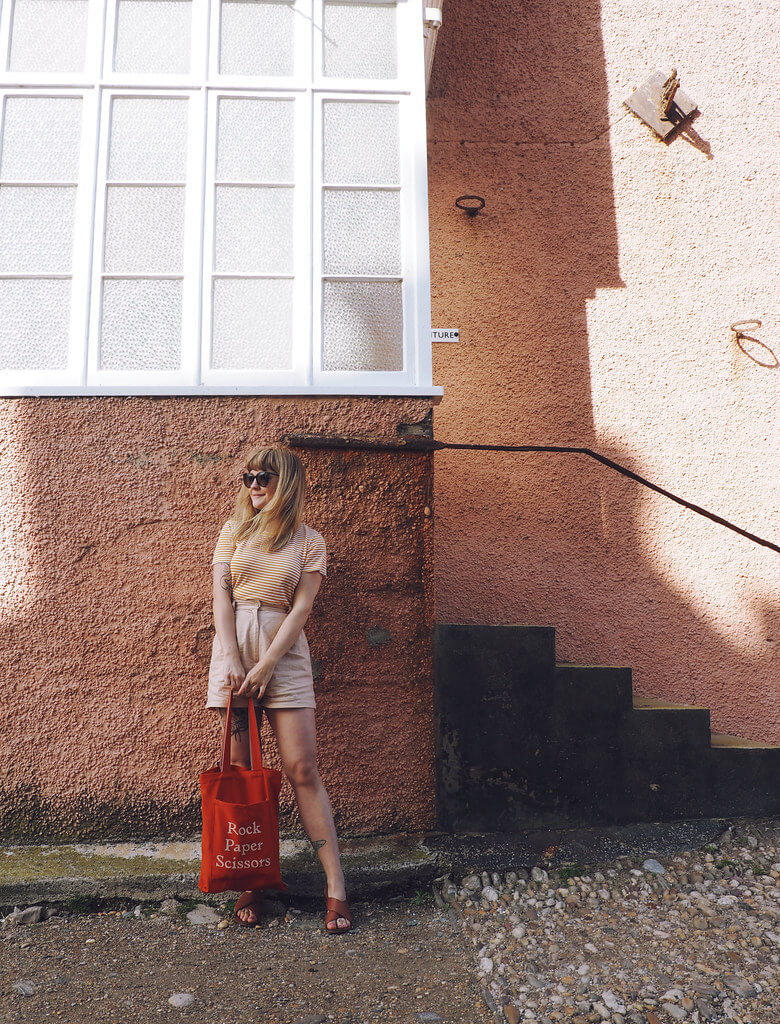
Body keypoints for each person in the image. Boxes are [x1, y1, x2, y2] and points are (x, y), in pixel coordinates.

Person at [205, 444, 352, 933]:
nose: (253, 486)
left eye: (263, 477)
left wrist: (267, 664)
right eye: (247, 478)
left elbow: (303, 608)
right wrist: (230, 657)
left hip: (283, 654)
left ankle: (336, 885)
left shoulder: (310, 541)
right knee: (244, 770)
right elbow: (221, 596)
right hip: (233, 650)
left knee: (301, 767)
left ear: (285, 482)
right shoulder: (233, 531)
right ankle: (253, 879)